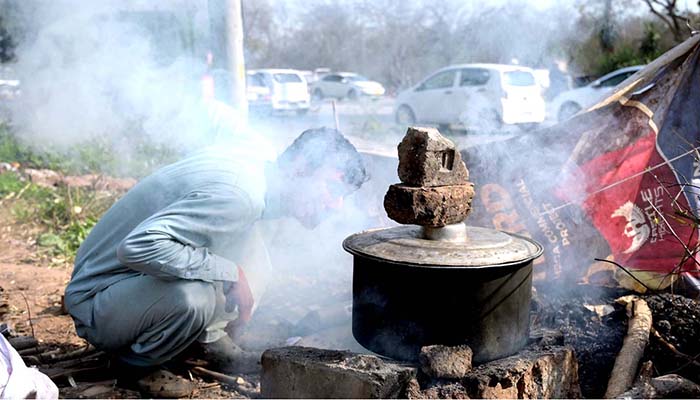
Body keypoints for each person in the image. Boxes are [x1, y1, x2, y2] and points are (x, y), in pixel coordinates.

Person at [63, 126, 368, 392]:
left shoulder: (257, 176)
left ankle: (207, 339)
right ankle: (136, 366)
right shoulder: (240, 194)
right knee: (195, 298)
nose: (337, 205)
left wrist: (233, 272)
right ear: (301, 167)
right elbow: (139, 247)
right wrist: (228, 272)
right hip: (98, 298)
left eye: (345, 196)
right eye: (333, 186)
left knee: (255, 255)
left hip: (132, 287)